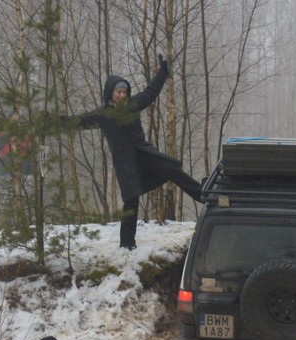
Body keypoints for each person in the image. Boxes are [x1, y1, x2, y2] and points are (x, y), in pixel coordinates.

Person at [65, 54, 202, 250]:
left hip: (144, 155)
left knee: (172, 170)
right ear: (110, 94)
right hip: (125, 163)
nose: (122, 95)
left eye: (124, 91)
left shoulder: (133, 105)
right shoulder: (102, 115)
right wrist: (51, 121)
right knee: (131, 201)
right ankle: (127, 244)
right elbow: (78, 121)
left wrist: (162, 72)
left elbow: (151, 91)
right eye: (118, 92)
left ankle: (204, 196)